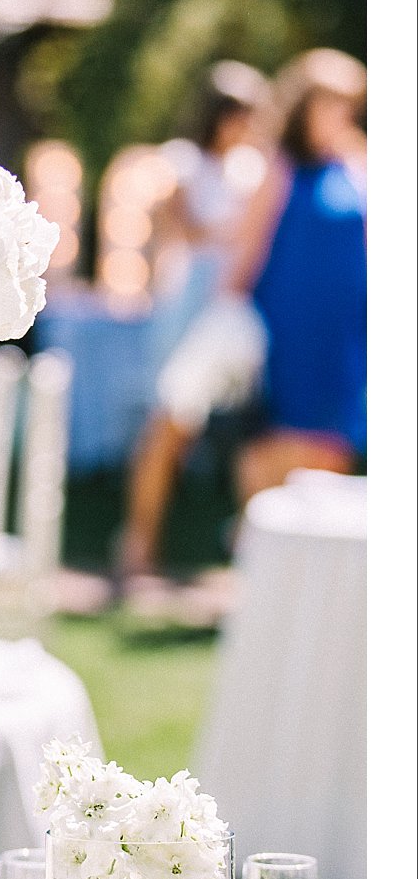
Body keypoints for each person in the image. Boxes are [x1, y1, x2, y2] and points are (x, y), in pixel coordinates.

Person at [116, 63, 272, 583]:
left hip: (234, 309)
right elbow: (180, 230)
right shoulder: (183, 164)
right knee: (169, 423)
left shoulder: (255, 168)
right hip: (189, 307)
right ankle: (139, 544)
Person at [233, 49, 367, 503]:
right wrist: (225, 314)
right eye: (329, 102)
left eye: (347, 104)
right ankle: (256, 539)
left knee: (336, 439)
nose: (340, 114)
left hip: (346, 330)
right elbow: (248, 249)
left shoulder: (355, 162)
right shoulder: (280, 166)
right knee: (287, 433)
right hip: (293, 323)